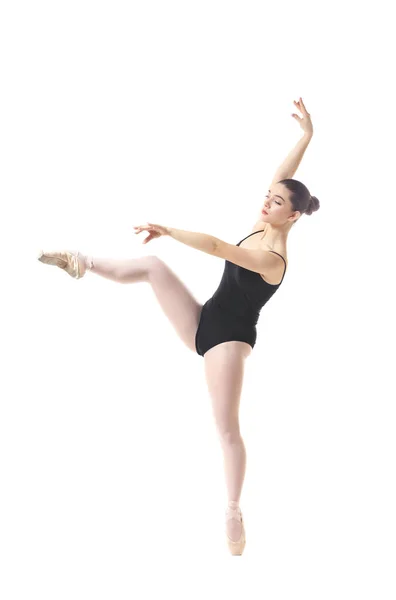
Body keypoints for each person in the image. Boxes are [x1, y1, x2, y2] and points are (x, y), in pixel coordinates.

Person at [38, 97, 319, 556]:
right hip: (203, 321)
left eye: (276, 202)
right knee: (151, 267)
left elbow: (213, 245)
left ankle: (233, 509)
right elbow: (282, 179)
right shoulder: (264, 220)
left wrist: (169, 229)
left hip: (227, 343)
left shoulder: (272, 257)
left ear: (292, 216)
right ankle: (81, 262)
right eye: (267, 197)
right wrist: (306, 137)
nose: (266, 202)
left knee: (226, 431)